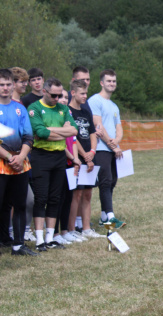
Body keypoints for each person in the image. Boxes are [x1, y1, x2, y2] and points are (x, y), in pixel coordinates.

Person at [27, 77, 78, 251]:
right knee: (41, 198)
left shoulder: (63, 109)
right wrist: (61, 132)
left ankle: (50, 237)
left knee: (55, 198)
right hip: (41, 156)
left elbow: (74, 130)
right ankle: (39, 239)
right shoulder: (34, 108)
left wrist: (52, 131)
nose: (57, 99)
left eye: (59, 95)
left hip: (59, 157)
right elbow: (40, 132)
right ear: (44, 92)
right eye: (54, 96)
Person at [0, 68, 37, 256]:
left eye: (8, 84)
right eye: (1, 85)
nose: (5, 88)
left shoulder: (20, 108)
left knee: (20, 204)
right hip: (2, 164)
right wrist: (8, 157)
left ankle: (18, 245)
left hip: (21, 163)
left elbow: (29, 136)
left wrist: (21, 157)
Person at [88, 69, 125, 229]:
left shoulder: (114, 106)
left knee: (112, 181)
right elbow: (98, 126)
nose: (112, 84)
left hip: (112, 149)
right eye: (109, 81)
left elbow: (119, 128)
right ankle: (110, 217)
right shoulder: (95, 100)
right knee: (105, 181)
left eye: (114, 81)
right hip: (101, 147)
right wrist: (112, 144)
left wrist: (116, 143)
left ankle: (104, 215)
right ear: (102, 83)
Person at [67, 80, 103, 240]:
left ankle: (87, 228)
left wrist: (92, 152)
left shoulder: (86, 112)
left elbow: (92, 134)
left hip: (89, 158)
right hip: (76, 159)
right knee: (77, 194)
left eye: (86, 93)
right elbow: (73, 137)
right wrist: (84, 156)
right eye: (82, 93)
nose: (85, 96)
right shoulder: (67, 112)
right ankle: (71, 228)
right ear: (73, 93)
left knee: (88, 194)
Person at [53, 88, 84, 245]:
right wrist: (72, 158)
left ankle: (65, 231)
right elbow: (59, 141)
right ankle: (55, 232)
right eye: (60, 97)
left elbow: (73, 140)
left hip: (72, 162)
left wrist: (76, 160)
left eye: (66, 97)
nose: (64, 100)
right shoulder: (54, 116)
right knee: (58, 198)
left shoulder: (68, 115)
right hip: (61, 161)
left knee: (68, 197)